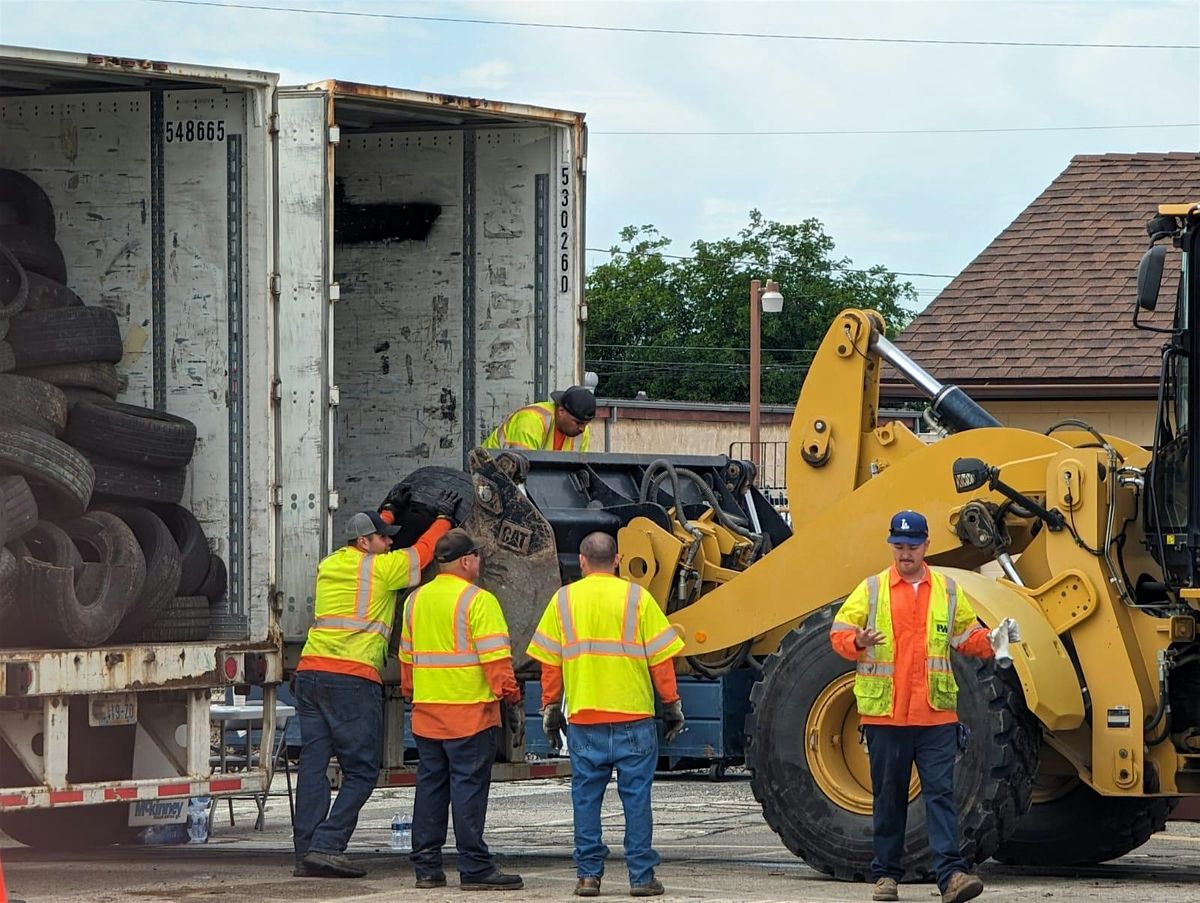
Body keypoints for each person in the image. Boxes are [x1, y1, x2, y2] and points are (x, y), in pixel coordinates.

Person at [830, 510, 1005, 903]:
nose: (904, 553)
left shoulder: (946, 590)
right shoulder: (872, 589)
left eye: (911, 546)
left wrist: (994, 641)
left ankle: (952, 877)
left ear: (926, 546)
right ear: (891, 546)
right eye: (898, 546)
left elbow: (965, 636)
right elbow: (839, 633)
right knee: (889, 797)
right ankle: (886, 876)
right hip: (886, 715)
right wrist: (857, 641)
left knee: (940, 795)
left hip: (934, 715)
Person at [292, 503, 454, 878]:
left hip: (312, 673)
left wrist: (387, 514)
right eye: (383, 538)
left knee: (313, 768)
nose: (389, 544)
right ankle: (327, 845)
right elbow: (423, 553)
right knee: (362, 772)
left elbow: (378, 537)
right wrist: (443, 519)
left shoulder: (330, 564)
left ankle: (306, 854)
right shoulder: (383, 569)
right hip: (352, 678)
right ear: (365, 542)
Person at [526, 532, 685, 898]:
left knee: (585, 800)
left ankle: (587, 877)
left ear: (582, 561)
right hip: (633, 718)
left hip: (585, 720)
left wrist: (551, 709)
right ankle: (641, 878)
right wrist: (672, 704)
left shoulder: (564, 600)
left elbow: (550, 664)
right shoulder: (636, 597)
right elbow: (661, 659)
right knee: (636, 800)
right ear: (616, 560)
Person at [400, 529, 524, 891]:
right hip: (469, 714)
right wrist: (512, 699)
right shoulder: (478, 601)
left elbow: (407, 659)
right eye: (477, 558)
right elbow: (496, 661)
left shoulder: (415, 600)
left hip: (427, 716)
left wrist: (413, 694)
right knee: (468, 791)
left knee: (431, 790)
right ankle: (474, 867)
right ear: (467, 561)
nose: (479, 563)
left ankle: (426, 868)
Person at [482, 386, 595, 452]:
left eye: (586, 424)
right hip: (489, 473)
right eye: (578, 423)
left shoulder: (581, 432)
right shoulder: (531, 420)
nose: (582, 429)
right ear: (561, 411)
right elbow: (518, 470)